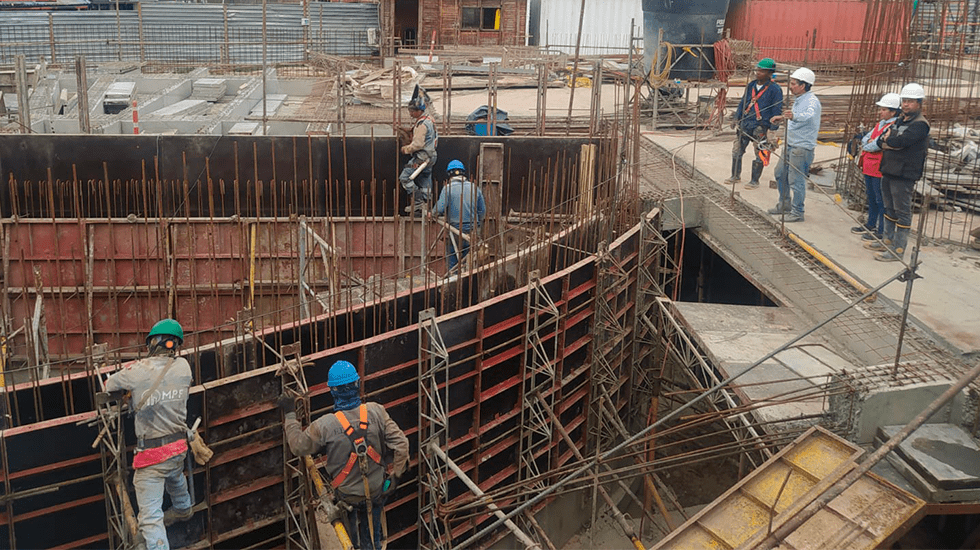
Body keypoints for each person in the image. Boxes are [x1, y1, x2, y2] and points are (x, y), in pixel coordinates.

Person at [281, 360, 409, 550]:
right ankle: (372, 544)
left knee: (348, 536)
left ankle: (352, 545)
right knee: (373, 525)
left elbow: (298, 447)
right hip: (377, 489)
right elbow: (402, 444)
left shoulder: (325, 425)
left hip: (347, 495)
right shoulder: (376, 411)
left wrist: (290, 414)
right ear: (357, 385)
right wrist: (396, 477)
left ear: (333, 391)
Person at [104, 319, 194, 550]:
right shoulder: (184, 367)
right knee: (175, 474)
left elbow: (109, 385)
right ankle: (183, 508)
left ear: (152, 343)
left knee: (150, 518)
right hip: (179, 448)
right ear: (175, 345)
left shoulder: (138, 370)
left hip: (152, 456)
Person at [869, 82, 930, 262]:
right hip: (889, 169)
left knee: (901, 210)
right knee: (889, 208)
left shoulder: (920, 125)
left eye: (910, 101)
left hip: (904, 174)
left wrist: (892, 140)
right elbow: (881, 141)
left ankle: (898, 249)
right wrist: (892, 141)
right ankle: (887, 241)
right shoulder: (899, 120)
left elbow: (900, 142)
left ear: (919, 103)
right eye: (904, 101)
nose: (906, 104)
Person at [768, 67, 822, 223]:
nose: (790, 86)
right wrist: (783, 117)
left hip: (801, 148)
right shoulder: (799, 99)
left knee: (795, 180)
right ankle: (784, 204)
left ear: (803, 85)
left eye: (793, 83)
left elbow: (808, 115)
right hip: (791, 144)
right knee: (780, 173)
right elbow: (796, 117)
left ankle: (798, 212)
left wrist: (794, 116)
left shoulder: (811, 101)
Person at [726, 58, 783, 189]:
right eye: (758, 69)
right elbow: (743, 102)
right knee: (737, 150)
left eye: (762, 71)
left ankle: (754, 180)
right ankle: (735, 176)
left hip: (760, 126)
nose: (758, 73)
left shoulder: (775, 90)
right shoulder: (751, 85)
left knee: (760, 153)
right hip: (745, 124)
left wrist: (772, 130)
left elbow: (776, 111)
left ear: (769, 73)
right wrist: (736, 117)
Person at [852, 93, 901, 242]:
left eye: (884, 109)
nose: (880, 112)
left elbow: (877, 144)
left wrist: (870, 144)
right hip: (869, 165)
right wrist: (870, 142)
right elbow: (868, 138)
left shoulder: (894, 126)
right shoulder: (880, 124)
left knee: (881, 200)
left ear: (893, 112)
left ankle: (881, 230)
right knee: (871, 197)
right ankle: (870, 224)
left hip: (879, 167)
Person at [433, 159, 486, 272]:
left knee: (454, 259)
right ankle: (468, 282)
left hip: (455, 230)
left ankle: (454, 281)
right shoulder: (474, 188)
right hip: (473, 229)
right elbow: (482, 211)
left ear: (449, 174)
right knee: (470, 260)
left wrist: (431, 213)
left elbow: (439, 209)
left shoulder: (447, 188)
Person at [399, 91, 438, 215]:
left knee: (405, 178)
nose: (410, 114)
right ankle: (425, 206)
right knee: (425, 180)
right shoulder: (429, 119)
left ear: (418, 110)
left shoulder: (422, 124)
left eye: (412, 111)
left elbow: (418, 144)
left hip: (421, 158)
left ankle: (418, 202)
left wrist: (406, 149)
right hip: (431, 157)